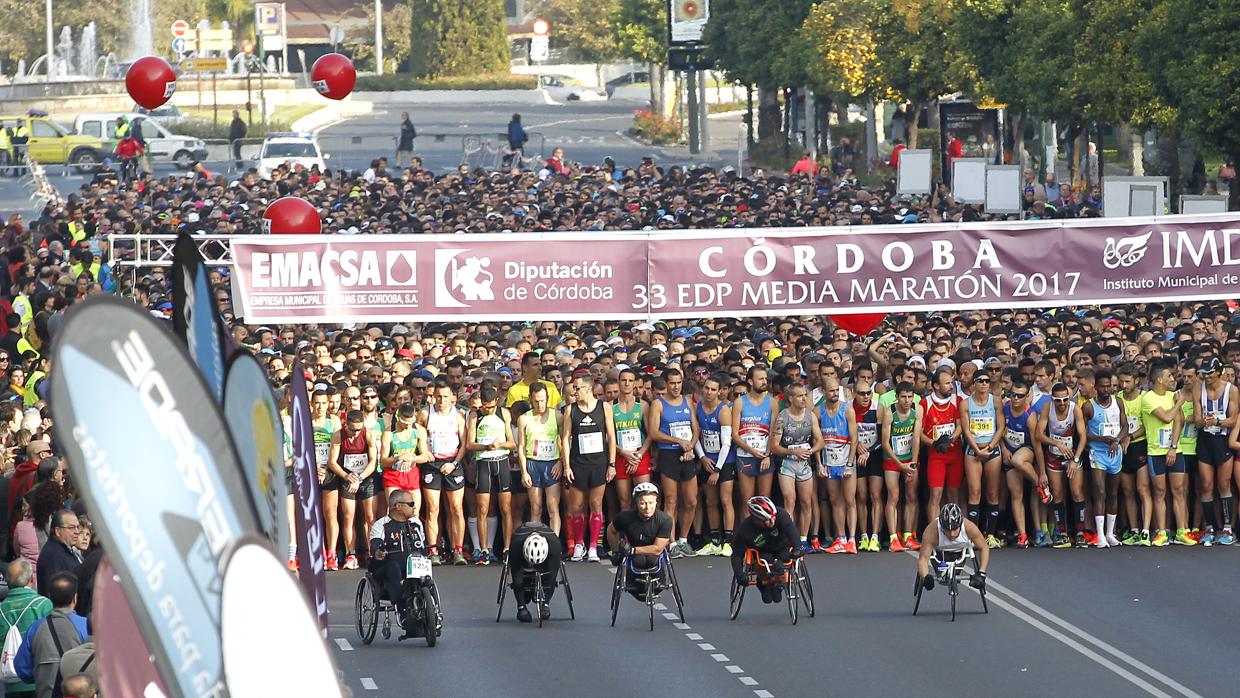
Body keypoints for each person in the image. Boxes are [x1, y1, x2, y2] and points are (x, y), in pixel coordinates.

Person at [561, 373, 616, 561]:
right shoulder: (571, 410)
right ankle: (578, 544)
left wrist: (612, 464)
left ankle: (593, 545)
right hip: (578, 463)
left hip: (599, 462)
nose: (574, 392)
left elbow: (611, 437)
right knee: (576, 506)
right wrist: (566, 465)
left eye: (577, 388)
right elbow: (565, 439)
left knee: (595, 504)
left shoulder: (604, 407)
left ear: (587, 389)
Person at [1141, 363, 1193, 546]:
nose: (1173, 379)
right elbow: (1167, 417)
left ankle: (1181, 531)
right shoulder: (1148, 398)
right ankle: (1162, 531)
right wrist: (1179, 402)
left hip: (1174, 451)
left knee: (1179, 490)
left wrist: (1173, 446)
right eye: (1169, 376)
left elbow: (1179, 421)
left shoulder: (1172, 395)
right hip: (1155, 452)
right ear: (1159, 380)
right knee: (1160, 492)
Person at [368, 490, 431, 639]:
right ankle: (403, 611)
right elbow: (375, 545)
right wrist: (378, 552)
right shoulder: (381, 525)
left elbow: (421, 546)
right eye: (411, 504)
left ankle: (429, 611)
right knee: (393, 567)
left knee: (422, 561)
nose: (414, 508)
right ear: (398, 506)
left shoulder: (416, 523)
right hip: (387, 569)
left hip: (413, 567)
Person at [649, 368, 699, 558]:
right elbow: (654, 432)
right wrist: (678, 441)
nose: (676, 386)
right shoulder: (658, 404)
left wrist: (690, 447)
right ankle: (670, 543)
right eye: (672, 383)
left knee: (691, 501)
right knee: (671, 500)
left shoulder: (687, 401)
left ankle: (683, 540)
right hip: (669, 454)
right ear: (666, 384)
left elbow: (696, 429)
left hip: (687, 454)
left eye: (679, 382)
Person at [14, 572, 86, 698]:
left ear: (50, 597)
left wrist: (42, 675)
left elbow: (22, 668)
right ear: (75, 598)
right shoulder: (85, 626)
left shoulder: (35, 628)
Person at [464, 385, 515, 564]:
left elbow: (512, 443)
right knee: (482, 509)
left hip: (501, 462)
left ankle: (507, 548)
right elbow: (469, 444)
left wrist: (500, 444)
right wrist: (486, 446)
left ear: (497, 402)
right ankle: (484, 549)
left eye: (491, 406)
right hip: (484, 463)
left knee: (506, 508)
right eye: (485, 406)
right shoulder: (475, 416)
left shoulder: (503, 414)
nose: (488, 409)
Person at [420, 380, 468, 565]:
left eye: (445, 397)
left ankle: (458, 550)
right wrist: (426, 453)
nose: (441, 400)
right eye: (438, 396)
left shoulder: (458, 416)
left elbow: (464, 445)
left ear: (452, 398)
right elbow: (420, 437)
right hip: (433, 464)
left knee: (456, 508)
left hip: (452, 463)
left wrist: (455, 463)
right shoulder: (425, 414)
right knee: (433, 509)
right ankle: (433, 550)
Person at [960, 368, 1006, 548]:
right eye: (980, 380)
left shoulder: (996, 401)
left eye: (987, 381)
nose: (984, 384)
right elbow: (965, 429)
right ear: (974, 383)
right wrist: (976, 449)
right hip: (973, 452)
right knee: (974, 493)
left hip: (991, 449)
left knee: (993, 493)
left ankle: (991, 534)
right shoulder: (965, 404)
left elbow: (1000, 426)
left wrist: (991, 446)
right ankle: (974, 535)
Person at [1083, 369, 1128, 548]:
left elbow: (1124, 426)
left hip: (1114, 452)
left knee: (1113, 492)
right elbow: (1083, 434)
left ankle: (1110, 533)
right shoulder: (1088, 406)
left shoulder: (1118, 402)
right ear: (1096, 387)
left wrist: (1117, 440)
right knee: (1099, 492)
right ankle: (1100, 535)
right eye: (1102, 387)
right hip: (1098, 453)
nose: (1106, 390)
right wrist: (1102, 439)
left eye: (1109, 386)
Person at [1194, 356, 1236, 545]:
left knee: (1224, 484)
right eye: (1204, 374)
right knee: (1205, 484)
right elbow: (1196, 420)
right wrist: (1204, 421)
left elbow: (1234, 420)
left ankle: (1227, 528)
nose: (1206, 377)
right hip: (1205, 440)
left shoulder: (1231, 390)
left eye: (1210, 373)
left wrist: (1217, 421)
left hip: (1223, 440)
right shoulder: (1198, 389)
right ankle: (1209, 527)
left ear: (1218, 372)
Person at [606, 482, 672, 598]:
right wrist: (616, 550)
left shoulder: (665, 520)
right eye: (643, 503)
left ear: (656, 502)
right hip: (634, 552)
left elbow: (657, 549)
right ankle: (634, 585)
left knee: (651, 560)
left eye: (651, 503)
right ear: (636, 503)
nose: (647, 508)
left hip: (651, 551)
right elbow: (611, 530)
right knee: (639, 561)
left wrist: (632, 550)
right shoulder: (625, 517)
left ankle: (657, 583)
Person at [729, 496, 800, 604]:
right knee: (765, 560)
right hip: (762, 553)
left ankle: (779, 583)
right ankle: (763, 584)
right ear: (756, 519)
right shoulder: (745, 529)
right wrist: (739, 574)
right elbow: (736, 554)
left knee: (783, 560)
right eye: (767, 520)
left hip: (783, 548)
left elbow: (793, 532)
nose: (772, 521)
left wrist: (799, 548)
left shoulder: (781, 514)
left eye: (773, 517)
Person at [694, 373, 734, 556]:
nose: (709, 392)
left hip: (724, 461)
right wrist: (702, 457)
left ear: (719, 392)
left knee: (725, 500)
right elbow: (695, 435)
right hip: (707, 458)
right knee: (710, 501)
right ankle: (715, 540)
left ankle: (729, 542)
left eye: (713, 389)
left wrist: (717, 469)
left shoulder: (723, 410)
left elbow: (727, 443)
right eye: (706, 388)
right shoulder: (698, 408)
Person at [880, 382, 923, 551]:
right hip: (892, 459)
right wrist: (900, 465)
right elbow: (885, 442)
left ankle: (908, 535)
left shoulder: (917, 410)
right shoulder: (889, 412)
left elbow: (916, 438)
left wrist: (912, 463)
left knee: (911, 496)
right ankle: (893, 538)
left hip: (909, 458)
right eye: (903, 397)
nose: (906, 400)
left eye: (909, 397)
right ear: (897, 397)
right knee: (894, 496)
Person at [516, 382, 563, 538]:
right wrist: (524, 472)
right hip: (533, 463)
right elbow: (521, 446)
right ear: (531, 399)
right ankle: (534, 541)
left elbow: (565, 441)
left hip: (552, 463)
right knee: (535, 507)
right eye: (536, 400)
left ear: (547, 398)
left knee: (552, 507)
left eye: (543, 400)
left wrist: (561, 462)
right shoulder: (524, 419)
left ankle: (554, 543)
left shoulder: (557, 415)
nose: (540, 404)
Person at [817, 373, 857, 554]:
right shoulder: (818, 411)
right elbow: (816, 440)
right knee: (835, 499)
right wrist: (819, 464)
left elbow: (854, 438)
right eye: (831, 391)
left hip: (846, 460)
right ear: (823, 391)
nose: (834, 394)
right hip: (829, 462)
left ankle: (852, 539)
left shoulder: (847, 409)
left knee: (849, 499)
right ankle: (840, 537)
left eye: (836, 390)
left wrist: (849, 464)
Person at [0, 559, 51, 698]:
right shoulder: (43, 605)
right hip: (38, 680)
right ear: (32, 578)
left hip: (10, 682)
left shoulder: (1, 609)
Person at [915, 503, 989, 594]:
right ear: (941, 526)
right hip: (939, 555)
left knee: (954, 578)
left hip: (959, 554)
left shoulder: (969, 527)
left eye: (955, 529)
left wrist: (982, 573)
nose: (952, 534)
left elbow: (984, 547)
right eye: (948, 530)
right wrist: (925, 577)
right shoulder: (932, 530)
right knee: (941, 579)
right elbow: (923, 559)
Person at [506, 520, 563, 623]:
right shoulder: (516, 545)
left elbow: (552, 578)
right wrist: (521, 607)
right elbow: (516, 579)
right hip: (521, 552)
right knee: (520, 583)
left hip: (548, 555)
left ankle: (545, 604)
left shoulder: (554, 546)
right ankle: (522, 606)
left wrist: (545, 604)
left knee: (550, 576)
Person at [35, 511, 80, 595]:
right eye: (71, 528)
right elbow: (54, 593)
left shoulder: (65, 550)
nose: (77, 532)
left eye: (78, 527)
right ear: (58, 531)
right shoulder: (52, 556)